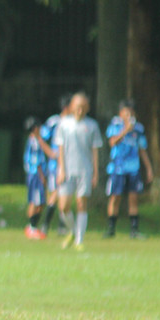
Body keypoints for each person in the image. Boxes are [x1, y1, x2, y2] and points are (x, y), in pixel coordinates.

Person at [55, 92, 103, 251]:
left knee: (82, 203)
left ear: (87, 108)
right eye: (77, 107)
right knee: (64, 206)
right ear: (71, 107)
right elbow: (60, 149)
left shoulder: (92, 126)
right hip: (67, 170)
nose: (80, 110)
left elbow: (95, 151)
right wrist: (61, 170)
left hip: (85, 170)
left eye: (83, 107)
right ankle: (73, 231)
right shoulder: (64, 124)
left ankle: (79, 240)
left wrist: (95, 173)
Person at [103, 99, 154, 239]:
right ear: (120, 113)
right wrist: (125, 130)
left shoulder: (138, 129)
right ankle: (111, 228)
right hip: (117, 168)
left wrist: (148, 168)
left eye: (131, 113)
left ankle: (134, 229)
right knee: (115, 197)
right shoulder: (115, 125)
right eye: (126, 112)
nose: (129, 115)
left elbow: (142, 149)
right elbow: (112, 142)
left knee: (133, 198)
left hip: (133, 168)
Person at [38, 93, 72, 236]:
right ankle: (47, 225)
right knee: (56, 192)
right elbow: (40, 137)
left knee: (65, 194)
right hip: (55, 165)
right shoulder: (54, 122)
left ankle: (60, 226)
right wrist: (50, 153)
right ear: (66, 107)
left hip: (70, 164)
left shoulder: (74, 123)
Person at [22, 116, 48, 240]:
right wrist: (42, 176)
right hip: (36, 174)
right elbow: (36, 161)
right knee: (36, 201)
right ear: (36, 128)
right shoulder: (35, 142)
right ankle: (32, 227)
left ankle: (32, 227)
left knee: (38, 201)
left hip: (33, 174)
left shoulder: (31, 140)